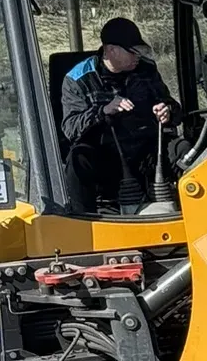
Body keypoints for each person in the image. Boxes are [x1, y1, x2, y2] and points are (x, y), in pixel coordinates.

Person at [60, 16, 175, 213]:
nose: (137, 56)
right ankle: (85, 226)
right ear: (110, 50)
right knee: (78, 158)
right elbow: (71, 128)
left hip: (148, 153)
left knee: (183, 150)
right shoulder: (77, 79)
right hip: (106, 159)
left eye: (140, 50)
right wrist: (103, 111)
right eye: (132, 51)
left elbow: (172, 106)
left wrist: (167, 111)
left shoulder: (146, 70)